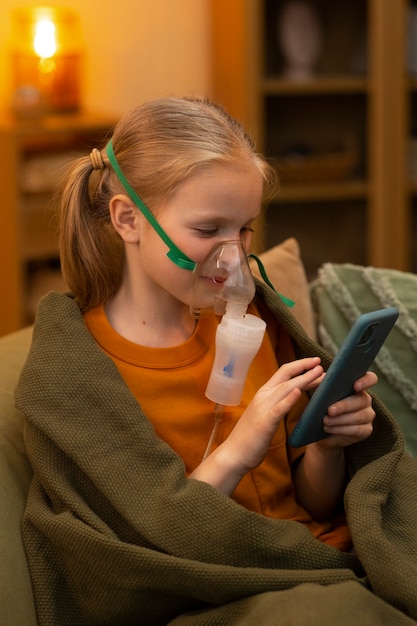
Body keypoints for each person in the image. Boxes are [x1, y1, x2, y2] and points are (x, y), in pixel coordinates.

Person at [15, 97, 417, 625]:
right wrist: (240, 448)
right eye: (208, 231)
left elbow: (315, 506)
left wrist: (327, 444)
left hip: (318, 562)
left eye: (245, 229)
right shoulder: (79, 371)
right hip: (220, 589)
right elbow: (151, 539)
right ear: (129, 219)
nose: (233, 255)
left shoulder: (255, 322)